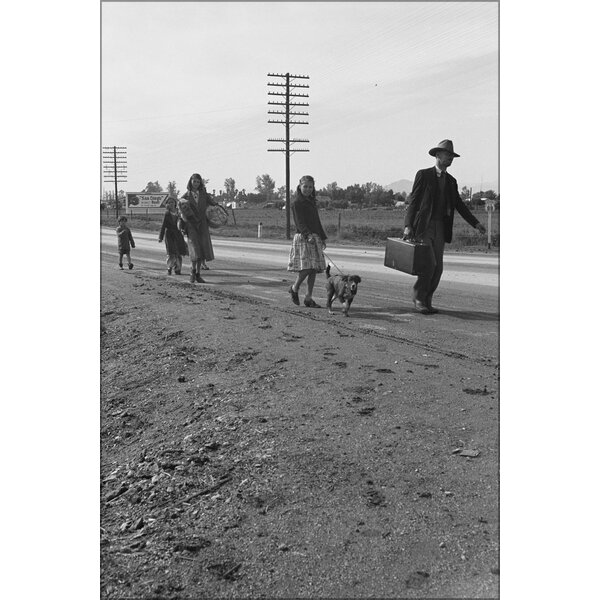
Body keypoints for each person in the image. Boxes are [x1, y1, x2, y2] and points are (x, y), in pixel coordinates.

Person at [403, 139, 486, 314]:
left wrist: (475, 223)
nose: (450, 159)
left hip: (441, 227)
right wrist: (408, 225)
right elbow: (413, 202)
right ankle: (418, 298)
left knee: (438, 268)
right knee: (429, 265)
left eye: (452, 156)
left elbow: (459, 205)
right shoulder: (423, 175)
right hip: (424, 227)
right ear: (438, 155)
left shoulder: (451, 181)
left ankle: (427, 300)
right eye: (447, 155)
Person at [287, 175, 328, 307]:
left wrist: (322, 237)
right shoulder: (297, 203)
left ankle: (308, 298)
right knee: (306, 268)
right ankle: (294, 288)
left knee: (314, 269)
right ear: (300, 186)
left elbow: (317, 221)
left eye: (310, 187)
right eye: (305, 186)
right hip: (304, 237)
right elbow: (300, 222)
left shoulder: (312, 202)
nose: (308, 189)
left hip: (314, 237)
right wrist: (308, 235)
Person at [177, 173, 219, 283]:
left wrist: (217, 208)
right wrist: (182, 221)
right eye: (194, 181)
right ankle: (192, 271)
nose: (196, 183)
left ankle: (198, 274)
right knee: (194, 249)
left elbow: (213, 204)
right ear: (190, 182)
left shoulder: (204, 194)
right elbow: (181, 210)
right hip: (191, 225)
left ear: (200, 183)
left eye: (198, 181)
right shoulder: (185, 196)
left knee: (202, 249)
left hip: (203, 225)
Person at [158, 196, 188, 275]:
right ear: (167, 204)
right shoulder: (167, 214)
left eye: (172, 202)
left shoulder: (179, 212)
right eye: (169, 202)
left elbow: (184, 222)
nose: (171, 204)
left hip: (178, 234)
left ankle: (178, 269)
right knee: (171, 253)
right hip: (169, 235)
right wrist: (160, 237)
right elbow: (163, 226)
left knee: (178, 252)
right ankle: (170, 267)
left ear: (175, 203)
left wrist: (184, 230)